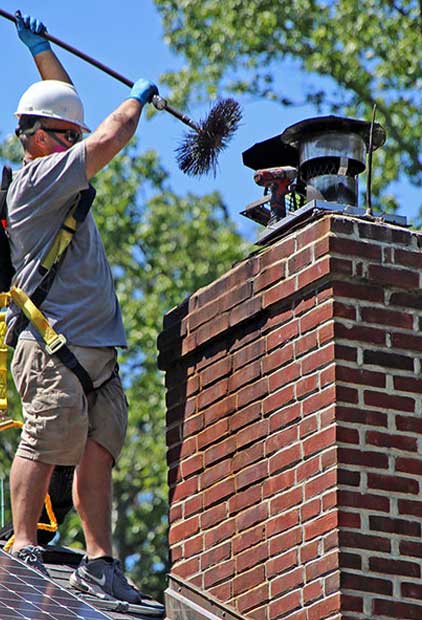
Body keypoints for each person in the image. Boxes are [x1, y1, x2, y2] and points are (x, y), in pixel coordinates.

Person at [6, 13, 157, 604]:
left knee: (99, 450)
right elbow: (109, 137)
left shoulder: (59, 159)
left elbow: (70, 114)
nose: (76, 141)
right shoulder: (38, 181)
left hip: (95, 350)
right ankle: (23, 545)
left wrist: (42, 55)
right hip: (52, 343)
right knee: (47, 439)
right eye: (66, 135)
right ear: (39, 138)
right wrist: (136, 101)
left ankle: (100, 561)